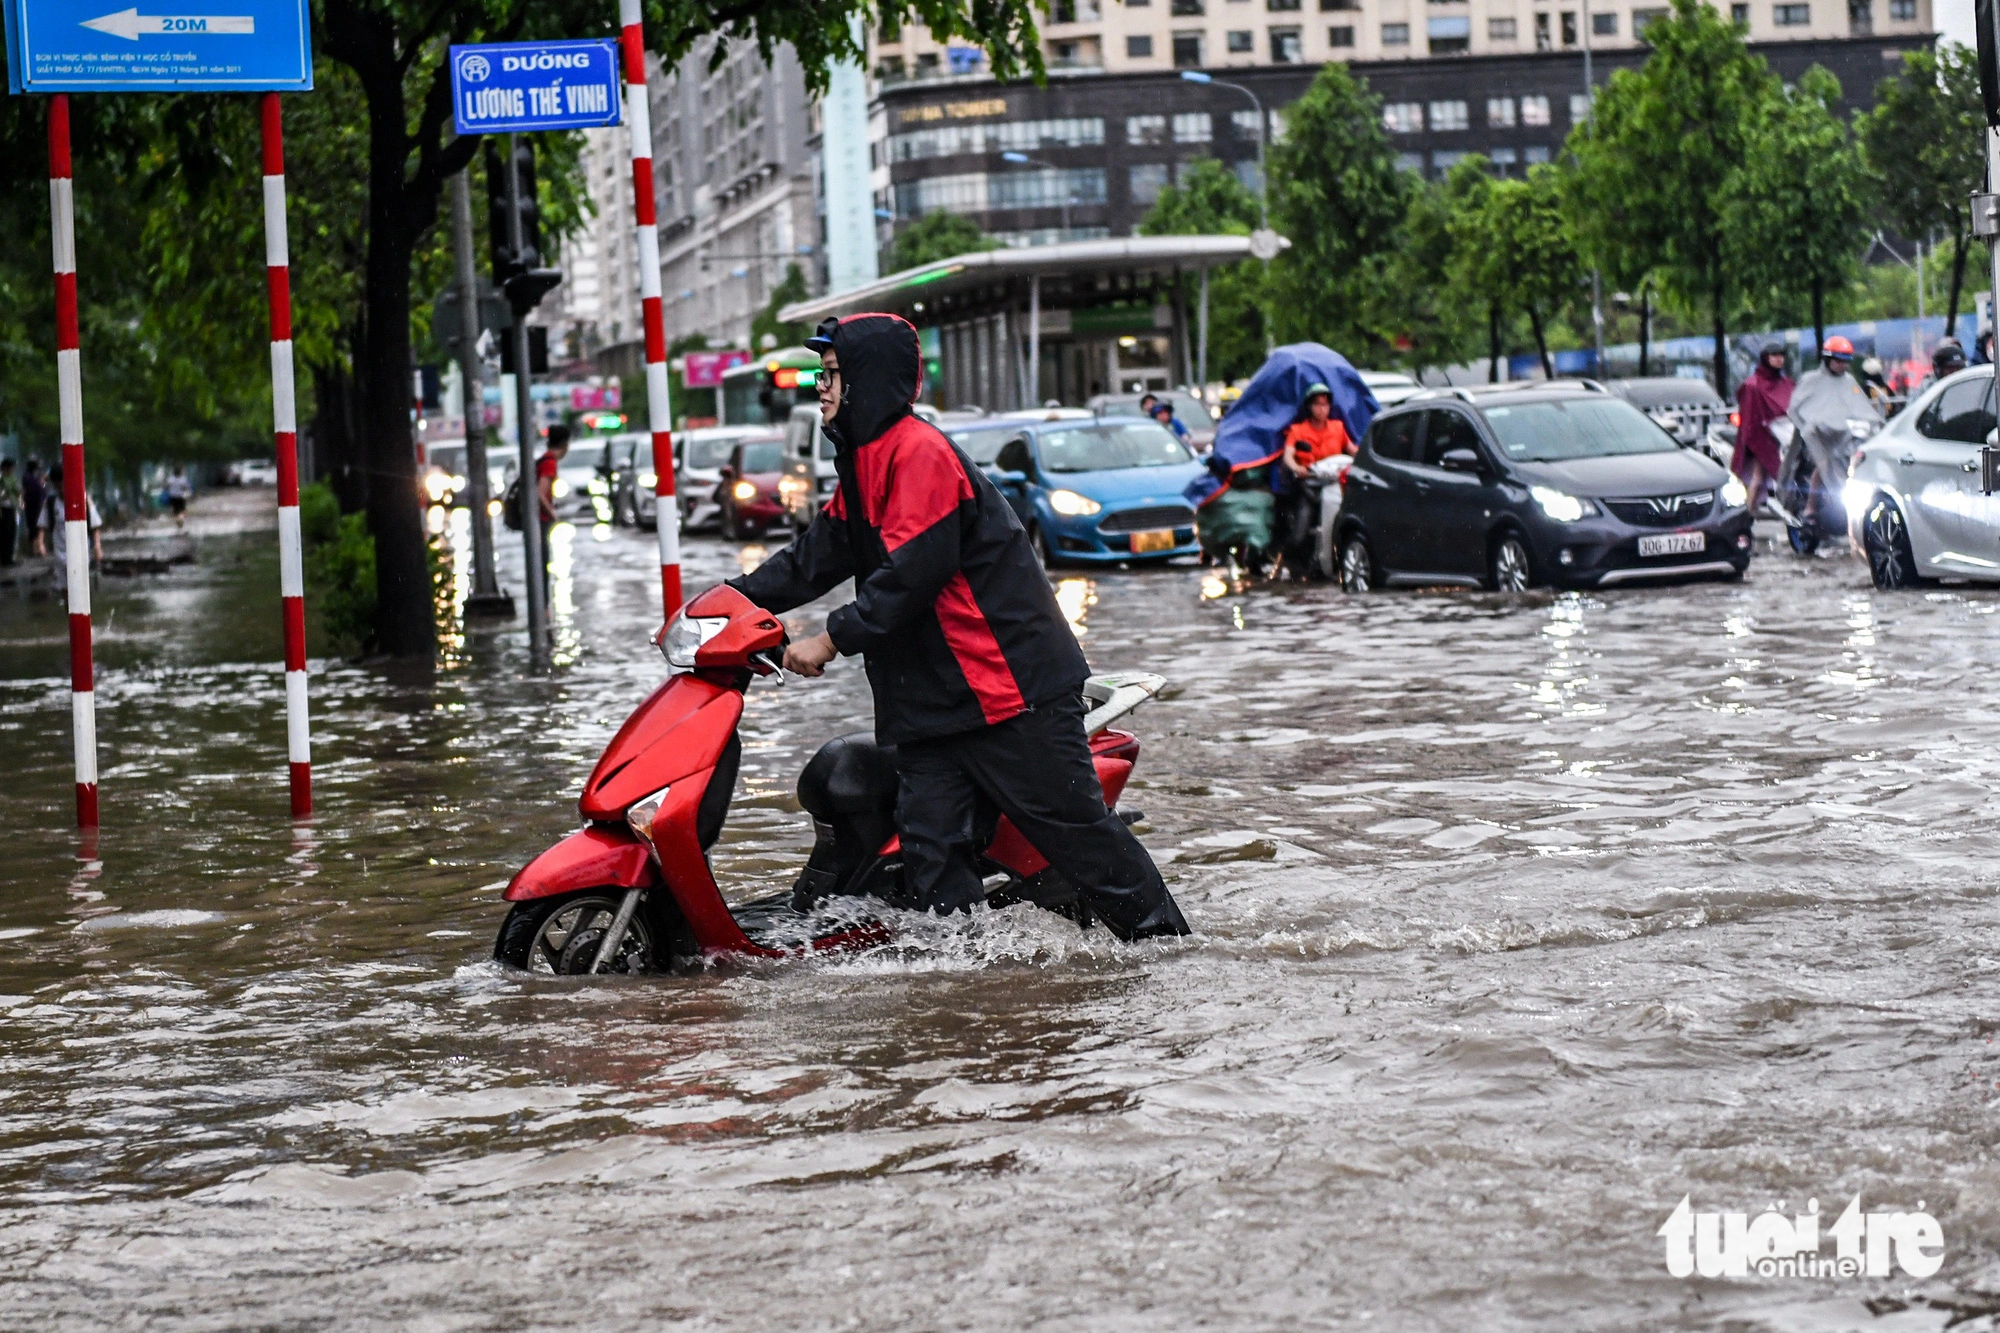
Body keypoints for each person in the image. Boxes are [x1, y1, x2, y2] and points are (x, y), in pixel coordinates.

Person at [727, 313, 1189, 941]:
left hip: (1009, 695)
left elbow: (909, 579)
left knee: (1079, 839)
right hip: (935, 707)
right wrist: (726, 601)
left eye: (833, 375)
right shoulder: (864, 465)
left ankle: (1168, 950)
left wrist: (828, 639)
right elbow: (815, 558)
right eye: (821, 375)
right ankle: (966, 985)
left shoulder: (919, 455)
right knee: (932, 855)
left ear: (870, 381)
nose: (821, 388)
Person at [1787, 334, 1879, 532]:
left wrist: (1873, 423)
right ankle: (1810, 509)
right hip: (1818, 438)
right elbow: (1797, 408)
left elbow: (1860, 406)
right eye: (1838, 361)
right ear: (1828, 360)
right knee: (1823, 464)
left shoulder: (1849, 381)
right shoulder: (1811, 380)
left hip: (1844, 437)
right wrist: (1810, 424)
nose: (1842, 366)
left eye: (1845, 361)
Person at [1274, 383, 1352, 575]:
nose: (1322, 409)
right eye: (1317, 404)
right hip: (1308, 485)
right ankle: (1290, 564)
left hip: (1333, 485)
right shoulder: (1298, 431)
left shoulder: (1338, 428)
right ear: (1309, 407)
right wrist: (1296, 467)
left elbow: (1352, 450)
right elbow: (1288, 455)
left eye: (1325, 404)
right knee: (1300, 533)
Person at [1732, 341, 1792, 514]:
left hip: (1787, 437)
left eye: (1781, 355)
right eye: (1775, 356)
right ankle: (1747, 513)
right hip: (1762, 439)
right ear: (1766, 358)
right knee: (1758, 477)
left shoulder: (1787, 383)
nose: (1779, 359)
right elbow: (1750, 419)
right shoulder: (1752, 385)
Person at [39, 463, 103, 584]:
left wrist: (97, 547)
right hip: (60, 552)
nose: (61, 488)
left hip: (80, 550)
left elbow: (94, 526)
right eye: (57, 485)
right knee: (64, 587)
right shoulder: (51, 502)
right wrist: (41, 543)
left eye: (62, 484)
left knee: (79, 585)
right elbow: (43, 525)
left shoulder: (83, 499)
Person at [535, 424, 570, 590]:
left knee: (541, 564)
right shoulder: (549, 463)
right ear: (564, 444)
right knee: (542, 564)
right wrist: (553, 514)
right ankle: (544, 608)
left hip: (538, 519)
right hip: (541, 519)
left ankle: (543, 605)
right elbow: (540, 493)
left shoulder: (545, 459)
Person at [20, 458, 46, 558]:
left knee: (35, 526)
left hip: (35, 505)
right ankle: (34, 549)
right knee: (33, 526)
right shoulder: (28, 477)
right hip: (32, 505)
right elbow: (35, 489)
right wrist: (41, 482)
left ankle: (36, 548)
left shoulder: (30, 477)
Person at [0, 459, 19, 568]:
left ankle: (9, 557)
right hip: (3, 509)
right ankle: (5, 558)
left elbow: (16, 491)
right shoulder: (2, 480)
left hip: (11, 507)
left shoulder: (12, 479)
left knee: (11, 532)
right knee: (5, 534)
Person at [164, 465, 192, 530]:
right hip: (180, 497)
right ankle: (180, 520)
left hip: (172, 497)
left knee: (175, 512)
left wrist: (169, 489)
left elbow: (166, 487)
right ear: (180, 472)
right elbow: (187, 487)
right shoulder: (183, 479)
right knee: (182, 511)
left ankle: (178, 525)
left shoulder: (170, 479)